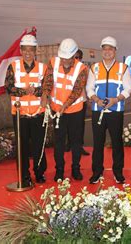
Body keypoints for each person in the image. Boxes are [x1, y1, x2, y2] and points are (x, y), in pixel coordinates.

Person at [86, 36, 131, 184]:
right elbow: (89, 88)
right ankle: (97, 172)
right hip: (98, 110)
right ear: (102, 51)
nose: (107, 51)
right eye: (104, 48)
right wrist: (96, 99)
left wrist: (115, 99)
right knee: (98, 143)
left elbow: (128, 89)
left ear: (115, 51)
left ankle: (118, 172)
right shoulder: (94, 68)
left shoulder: (123, 68)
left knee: (117, 143)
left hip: (116, 111)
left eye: (110, 49)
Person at [41, 38, 88, 182]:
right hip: (57, 110)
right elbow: (48, 81)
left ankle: (76, 168)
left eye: (68, 58)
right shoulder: (53, 63)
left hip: (75, 110)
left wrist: (65, 105)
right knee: (59, 142)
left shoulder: (82, 69)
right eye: (63, 58)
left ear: (74, 55)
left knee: (75, 142)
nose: (65, 61)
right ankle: (59, 170)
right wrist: (45, 95)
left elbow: (76, 91)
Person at [4, 34, 47, 186]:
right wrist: (25, 91)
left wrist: (35, 91)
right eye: (25, 49)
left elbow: (48, 88)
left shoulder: (43, 68)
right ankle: (24, 176)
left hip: (38, 113)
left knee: (39, 146)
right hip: (19, 114)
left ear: (35, 51)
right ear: (21, 50)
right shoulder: (13, 67)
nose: (28, 52)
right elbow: (9, 87)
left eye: (31, 49)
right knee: (22, 148)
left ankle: (39, 173)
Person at [74, 49, 90, 156]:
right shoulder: (65, 69)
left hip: (81, 101)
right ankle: (68, 145)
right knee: (65, 126)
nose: (77, 59)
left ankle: (79, 146)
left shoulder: (84, 69)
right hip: (67, 103)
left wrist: (89, 98)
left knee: (80, 126)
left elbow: (89, 85)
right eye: (75, 57)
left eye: (79, 57)